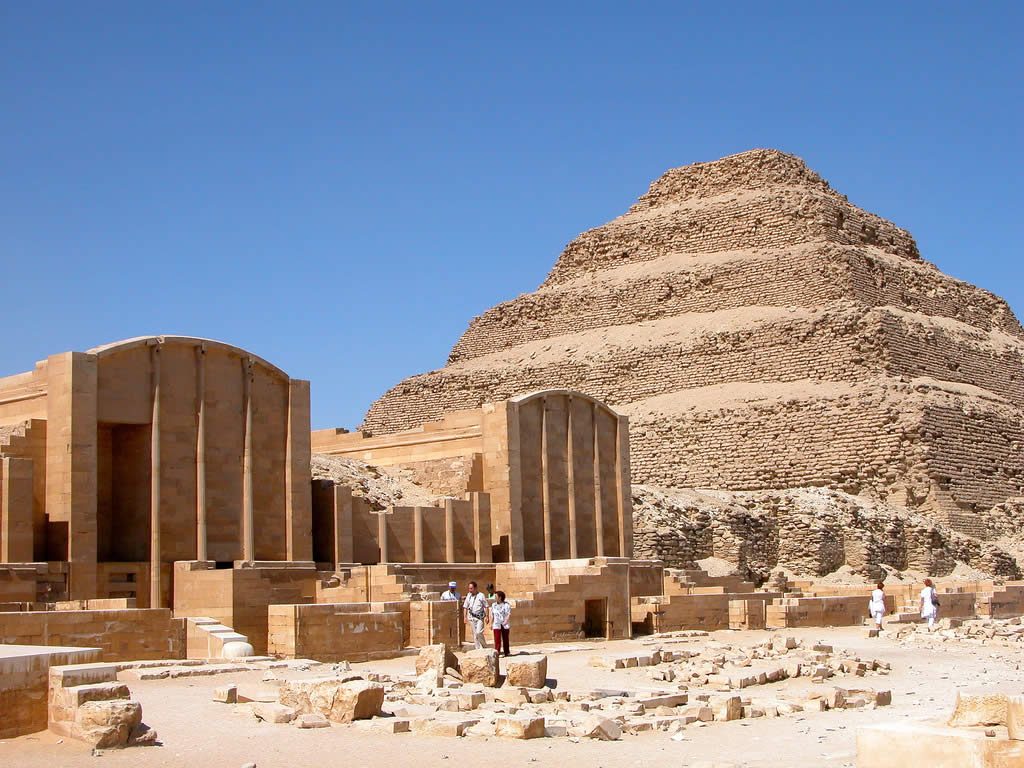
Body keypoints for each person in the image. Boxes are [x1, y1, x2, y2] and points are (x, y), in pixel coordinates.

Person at [463, 581, 489, 649]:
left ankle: (484, 646)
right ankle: (478, 648)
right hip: (471, 617)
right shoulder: (468, 596)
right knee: (475, 635)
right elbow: (465, 607)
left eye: (471, 588)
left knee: (479, 632)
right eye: (469, 588)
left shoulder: (481, 595)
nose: (470, 590)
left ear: (475, 588)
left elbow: (486, 606)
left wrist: (487, 616)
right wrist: (465, 617)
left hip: (479, 617)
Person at [489, 590, 511, 657]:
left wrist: (506, 621)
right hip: (496, 623)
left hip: (504, 623)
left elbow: (508, 614)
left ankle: (506, 651)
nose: (495, 598)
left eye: (496, 596)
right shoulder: (494, 605)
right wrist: (491, 623)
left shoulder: (506, 605)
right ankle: (497, 651)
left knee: (505, 638)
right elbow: (492, 615)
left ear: (500, 597)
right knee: (497, 638)